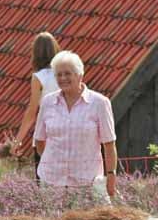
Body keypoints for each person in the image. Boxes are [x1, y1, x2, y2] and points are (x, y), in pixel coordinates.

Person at [33, 51, 117, 204]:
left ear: (80, 75)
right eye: (58, 75)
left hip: (87, 183)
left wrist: (111, 175)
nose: (63, 78)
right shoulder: (47, 102)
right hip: (52, 182)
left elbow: (109, 144)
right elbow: (39, 140)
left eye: (67, 73)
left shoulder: (100, 103)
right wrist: (54, 162)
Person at [12, 32, 60, 169]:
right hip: (67, 130)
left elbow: (32, 112)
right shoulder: (65, 74)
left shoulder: (39, 77)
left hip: (46, 133)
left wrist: (18, 141)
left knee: (44, 181)